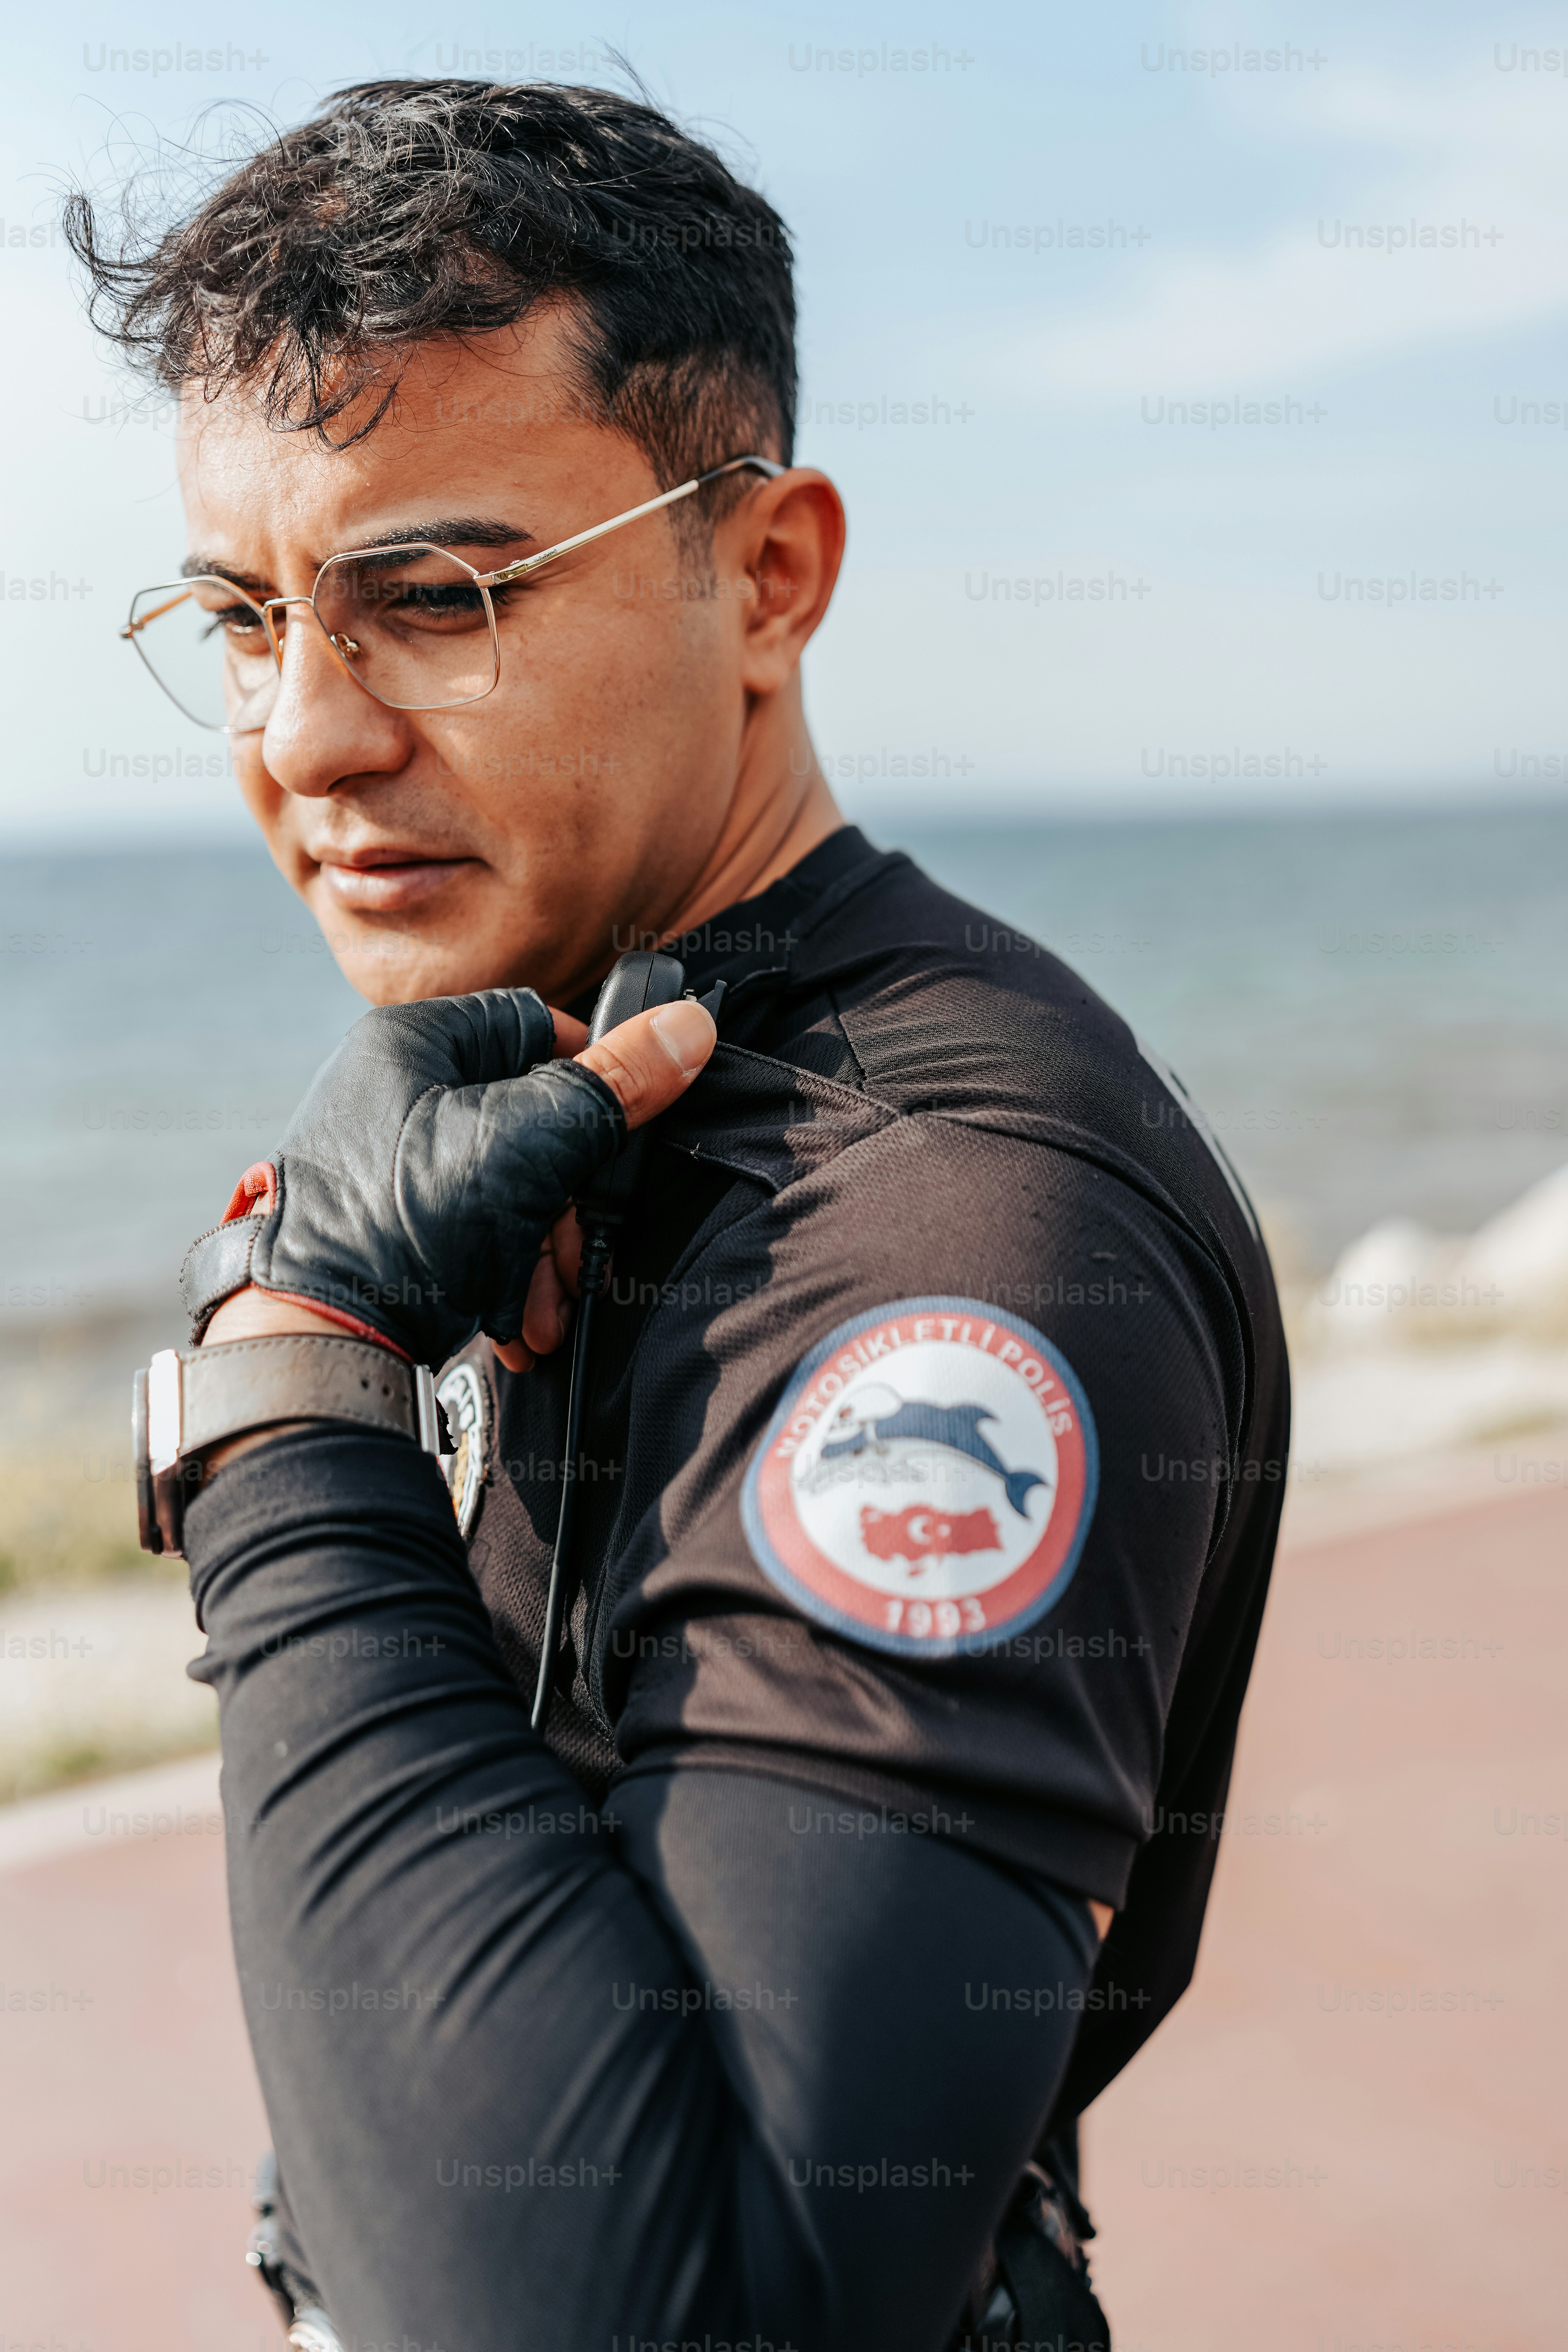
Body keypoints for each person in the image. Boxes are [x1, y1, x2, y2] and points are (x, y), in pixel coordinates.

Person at [74, 78, 1289, 2352]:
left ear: (766, 574)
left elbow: (670, 2312)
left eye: (433, 597)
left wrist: (289, 1393)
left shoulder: (947, 1226)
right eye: (242, 618)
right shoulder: (577, 1096)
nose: (304, 736)